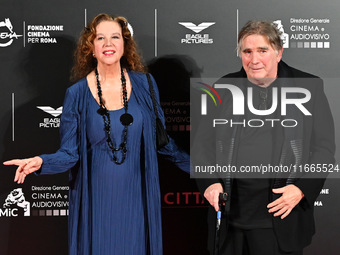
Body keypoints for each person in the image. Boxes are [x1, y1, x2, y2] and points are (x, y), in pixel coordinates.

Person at [4, 13, 189, 255]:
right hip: (96, 202)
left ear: (125, 45)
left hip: (137, 199)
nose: (108, 43)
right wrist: (40, 162)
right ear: (91, 48)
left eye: (115, 37)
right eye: (100, 38)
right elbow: (69, 154)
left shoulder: (146, 84)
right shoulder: (77, 94)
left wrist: (203, 168)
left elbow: (162, 142)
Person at [194, 20, 335, 255]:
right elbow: (202, 145)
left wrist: (301, 190)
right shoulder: (224, 87)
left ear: (279, 52)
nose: (254, 59)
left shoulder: (308, 87)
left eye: (262, 50)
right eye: (247, 51)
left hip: (280, 219)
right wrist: (209, 182)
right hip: (230, 219)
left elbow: (323, 148)